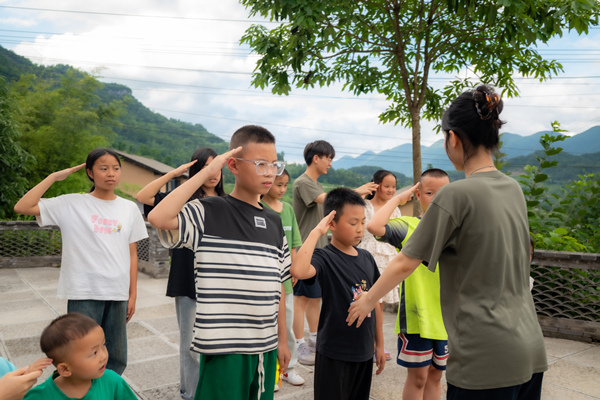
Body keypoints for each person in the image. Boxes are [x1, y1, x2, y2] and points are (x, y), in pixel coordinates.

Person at [348, 85, 548, 399]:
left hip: (484, 358)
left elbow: (405, 261)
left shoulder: (456, 195)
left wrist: (367, 300)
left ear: (452, 138)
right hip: (530, 348)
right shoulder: (513, 189)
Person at [147, 125, 291, 400]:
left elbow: (278, 285)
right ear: (233, 165)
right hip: (224, 348)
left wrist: (282, 340)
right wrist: (207, 170)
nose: (270, 172)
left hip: (265, 347)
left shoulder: (274, 221)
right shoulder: (207, 211)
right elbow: (159, 217)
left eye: (274, 164)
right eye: (260, 164)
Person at [13, 148, 149, 375]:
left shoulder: (129, 208)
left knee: (115, 357)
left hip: (117, 293)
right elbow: (22, 207)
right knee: (77, 353)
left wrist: (132, 295)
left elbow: (132, 254)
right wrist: (53, 177)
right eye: (103, 168)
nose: (110, 174)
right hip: (84, 290)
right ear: (90, 172)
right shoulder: (71, 204)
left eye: (115, 168)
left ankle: (106, 393)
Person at [136, 147, 225, 400]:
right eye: (208, 167)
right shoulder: (183, 198)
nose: (214, 173)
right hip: (188, 279)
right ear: (197, 169)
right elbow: (144, 196)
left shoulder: (228, 202)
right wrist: (174, 174)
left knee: (218, 346)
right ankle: (190, 394)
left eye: (217, 167)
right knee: (191, 346)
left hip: (219, 282)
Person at [291, 187, 385, 400]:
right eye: (353, 223)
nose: (360, 229)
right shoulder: (324, 257)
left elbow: (376, 302)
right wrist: (316, 232)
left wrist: (379, 345)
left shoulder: (367, 258)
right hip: (334, 352)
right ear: (331, 223)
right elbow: (298, 270)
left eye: (362, 222)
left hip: (363, 352)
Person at [367, 168, 450, 400]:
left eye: (443, 194)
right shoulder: (409, 226)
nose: (436, 199)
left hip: (446, 318)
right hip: (417, 319)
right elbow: (374, 226)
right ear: (419, 194)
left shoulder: (456, 231)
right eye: (430, 193)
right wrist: (397, 198)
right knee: (419, 378)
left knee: (435, 376)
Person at [292, 140, 377, 365]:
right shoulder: (303, 182)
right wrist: (356, 194)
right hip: (307, 251)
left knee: (315, 298)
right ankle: (299, 344)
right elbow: (329, 202)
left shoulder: (316, 184)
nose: (330, 162)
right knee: (300, 299)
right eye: (328, 157)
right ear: (315, 158)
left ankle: (313, 340)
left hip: (321, 250)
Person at [23, 313, 138, 400]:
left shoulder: (112, 382)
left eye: (103, 345)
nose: (103, 356)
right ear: (65, 369)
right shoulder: (40, 396)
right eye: (94, 353)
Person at [261, 169, 305, 388]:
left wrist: (294, 269)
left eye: (285, 185)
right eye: (278, 184)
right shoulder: (259, 208)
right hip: (265, 280)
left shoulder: (287, 209)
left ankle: (289, 368)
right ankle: (273, 373)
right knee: (268, 328)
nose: (282, 189)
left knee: (286, 326)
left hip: (286, 281)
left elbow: (295, 242)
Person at [357, 169, 402, 361]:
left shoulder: (395, 208)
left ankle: (376, 346)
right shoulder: (364, 205)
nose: (391, 190)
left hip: (388, 258)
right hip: (367, 256)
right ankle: (375, 347)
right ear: (376, 186)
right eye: (387, 186)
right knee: (370, 303)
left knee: (378, 305)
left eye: (393, 186)